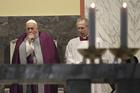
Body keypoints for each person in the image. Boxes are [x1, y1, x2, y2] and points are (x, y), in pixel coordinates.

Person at [65, 17, 113, 93]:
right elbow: (68, 59)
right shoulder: (72, 43)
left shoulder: (98, 41)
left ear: (88, 27)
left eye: (82, 28)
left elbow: (105, 58)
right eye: (78, 28)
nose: (80, 30)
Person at [10, 19, 60, 93]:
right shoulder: (22, 40)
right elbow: (19, 58)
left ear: (37, 28)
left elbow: (51, 57)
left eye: (32, 28)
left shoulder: (46, 38)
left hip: (42, 72)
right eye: (28, 29)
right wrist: (29, 43)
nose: (30, 30)